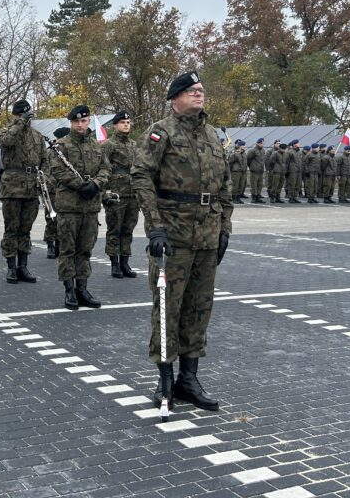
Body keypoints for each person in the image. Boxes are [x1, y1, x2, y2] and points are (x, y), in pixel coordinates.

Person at [132, 71, 232, 412]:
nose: (199, 95)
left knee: (199, 309)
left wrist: (225, 229)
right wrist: (155, 227)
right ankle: (164, 380)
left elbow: (225, 185)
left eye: (202, 90)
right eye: (192, 91)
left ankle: (189, 379)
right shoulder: (161, 132)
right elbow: (141, 176)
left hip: (207, 235)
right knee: (168, 308)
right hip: (173, 235)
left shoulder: (211, 135)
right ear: (175, 97)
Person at [49, 105, 110, 310]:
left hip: (91, 206)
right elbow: (57, 170)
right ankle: (69, 290)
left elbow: (105, 168)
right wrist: (79, 186)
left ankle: (82, 288)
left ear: (88, 121)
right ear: (71, 123)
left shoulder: (96, 146)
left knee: (85, 250)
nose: (80, 125)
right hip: (70, 206)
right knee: (68, 249)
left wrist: (96, 184)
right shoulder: (61, 145)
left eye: (83, 121)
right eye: (76, 121)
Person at [0, 100, 44, 284]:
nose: (27, 119)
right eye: (22, 115)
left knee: (25, 229)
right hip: (12, 188)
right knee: (12, 229)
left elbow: (44, 160)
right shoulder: (7, 132)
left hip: (31, 187)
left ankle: (23, 266)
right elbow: (7, 141)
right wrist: (20, 123)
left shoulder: (37, 136)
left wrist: (43, 179)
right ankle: (11, 267)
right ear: (16, 116)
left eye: (28, 115)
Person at [102, 111, 139, 278]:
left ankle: (125, 262)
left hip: (132, 194)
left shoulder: (134, 144)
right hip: (116, 194)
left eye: (128, 122)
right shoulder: (109, 145)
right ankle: (114, 264)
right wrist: (105, 193)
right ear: (115, 125)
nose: (126, 124)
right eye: (123, 122)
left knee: (128, 229)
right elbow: (102, 169)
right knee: (114, 229)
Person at [44, 127, 70, 258]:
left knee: (63, 219)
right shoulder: (50, 152)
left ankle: (59, 244)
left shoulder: (69, 151)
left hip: (66, 189)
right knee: (51, 219)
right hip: (53, 190)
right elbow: (46, 171)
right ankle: (50, 245)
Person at [246, 138, 267, 203]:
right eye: (261, 143)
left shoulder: (263, 151)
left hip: (261, 170)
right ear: (258, 143)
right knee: (254, 185)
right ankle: (254, 197)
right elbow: (248, 160)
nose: (262, 144)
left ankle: (258, 196)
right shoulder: (252, 151)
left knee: (260, 185)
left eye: (263, 143)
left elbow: (263, 160)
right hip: (254, 171)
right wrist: (252, 167)